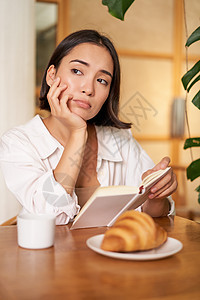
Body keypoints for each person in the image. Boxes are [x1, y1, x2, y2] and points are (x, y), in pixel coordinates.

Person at [0, 30, 177, 225]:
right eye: (77, 71)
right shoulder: (18, 142)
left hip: (111, 253)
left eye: (102, 80)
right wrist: (77, 134)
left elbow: (154, 214)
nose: (88, 89)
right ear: (51, 76)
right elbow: (51, 215)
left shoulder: (120, 139)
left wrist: (156, 195)